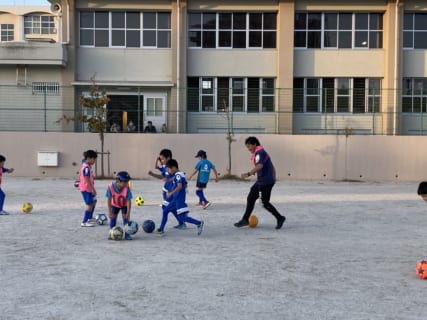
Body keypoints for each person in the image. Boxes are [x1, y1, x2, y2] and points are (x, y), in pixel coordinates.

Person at [234, 136, 286, 230]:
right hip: (262, 181)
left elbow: (260, 166)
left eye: (249, 146)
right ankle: (245, 219)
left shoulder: (260, 153)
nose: (248, 149)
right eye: (247, 147)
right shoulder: (261, 152)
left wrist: (249, 173)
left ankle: (280, 218)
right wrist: (273, 177)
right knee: (251, 197)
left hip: (265, 182)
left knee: (264, 203)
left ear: (254, 144)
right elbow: (271, 164)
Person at [154, 159, 204, 236]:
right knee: (165, 211)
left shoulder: (178, 175)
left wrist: (171, 193)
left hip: (178, 200)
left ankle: (198, 223)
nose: (168, 170)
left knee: (181, 217)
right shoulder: (179, 174)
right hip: (176, 199)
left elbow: (180, 186)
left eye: (169, 169)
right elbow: (182, 183)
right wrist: (168, 180)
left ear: (174, 168)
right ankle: (161, 229)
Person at [148, 149, 186, 229]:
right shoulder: (165, 167)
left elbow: (177, 178)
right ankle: (181, 222)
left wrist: (169, 180)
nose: (161, 161)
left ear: (168, 158)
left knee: (165, 208)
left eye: (162, 159)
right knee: (168, 208)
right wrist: (152, 174)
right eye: (160, 159)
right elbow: (161, 175)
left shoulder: (172, 167)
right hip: (166, 191)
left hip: (171, 192)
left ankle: (161, 229)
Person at [106, 171, 133, 240]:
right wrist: (109, 211)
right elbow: (109, 199)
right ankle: (111, 233)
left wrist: (128, 212)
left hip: (124, 205)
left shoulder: (127, 188)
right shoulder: (110, 187)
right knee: (113, 218)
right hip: (115, 204)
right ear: (118, 181)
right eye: (124, 182)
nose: (126, 183)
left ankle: (127, 234)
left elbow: (128, 201)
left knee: (126, 219)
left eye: (127, 181)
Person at [79, 150, 98, 227]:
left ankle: (90, 218)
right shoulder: (86, 168)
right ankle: (84, 222)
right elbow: (87, 179)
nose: (94, 161)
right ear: (89, 158)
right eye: (94, 159)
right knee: (90, 204)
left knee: (94, 201)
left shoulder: (87, 165)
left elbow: (83, 159)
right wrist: (93, 189)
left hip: (88, 188)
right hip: (86, 189)